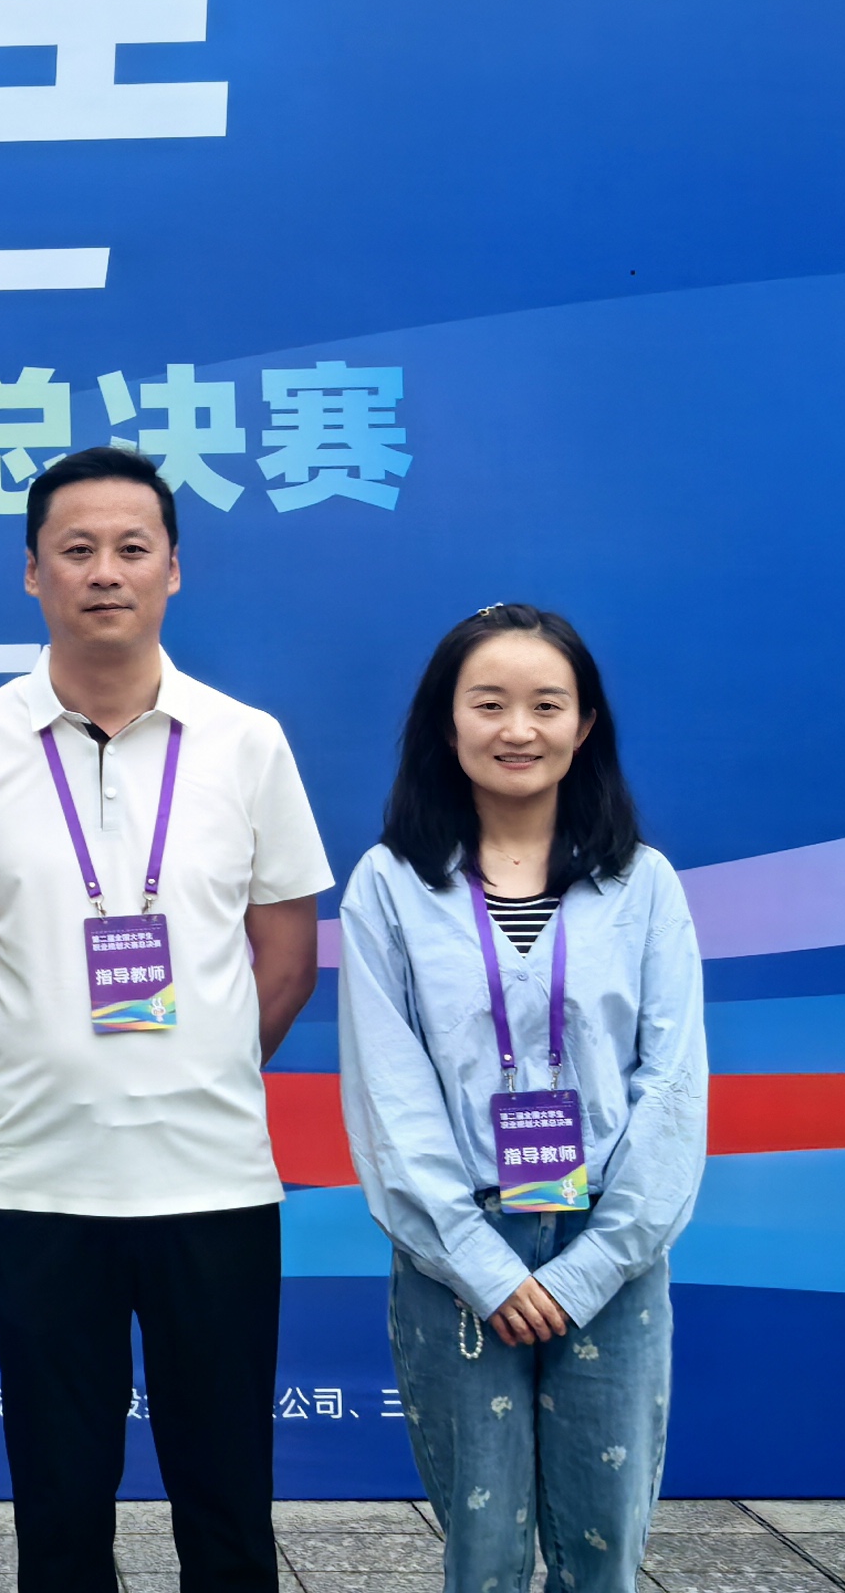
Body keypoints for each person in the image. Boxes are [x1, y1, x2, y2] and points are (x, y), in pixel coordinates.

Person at [0, 446, 334, 1593]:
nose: (106, 571)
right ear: (31, 572)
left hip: (214, 1180)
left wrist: (199, 1067)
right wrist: (31, 1066)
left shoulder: (245, 741)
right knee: (58, 1502)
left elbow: (288, 954)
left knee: (227, 1497)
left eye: (131, 548)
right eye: (77, 549)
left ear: (173, 569)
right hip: (41, 1183)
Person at [337, 604, 705, 1593]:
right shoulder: (390, 886)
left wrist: (593, 1267)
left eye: (546, 704)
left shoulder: (643, 885)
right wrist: (481, 1265)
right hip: (457, 1249)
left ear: (585, 724)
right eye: (489, 702)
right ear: (445, 720)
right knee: (483, 1551)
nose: (518, 729)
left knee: (604, 1551)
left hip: (611, 1245)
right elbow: (388, 1094)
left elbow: (672, 1088)